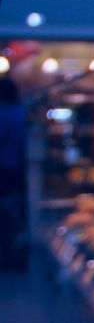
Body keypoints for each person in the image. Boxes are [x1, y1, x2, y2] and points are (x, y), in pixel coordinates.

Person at [0, 78, 26, 271]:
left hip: (5, 167)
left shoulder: (5, 113)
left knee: (6, 210)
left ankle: (7, 252)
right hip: (16, 167)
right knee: (12, 208)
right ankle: (11, 250)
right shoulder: (20, 112)